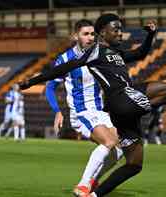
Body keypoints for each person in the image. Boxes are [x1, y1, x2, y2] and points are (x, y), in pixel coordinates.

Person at [20, 13, 166, 197]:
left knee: (133, 163)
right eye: (116, 30)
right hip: (122, 98)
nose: (120, 33)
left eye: (121, 29)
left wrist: (150, 35)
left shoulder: (117, 53)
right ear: (102, 33)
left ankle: (94, 194)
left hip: (120, 111)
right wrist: (31, 81)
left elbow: (141, 53)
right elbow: (60, 70)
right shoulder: (94, 51)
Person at [44, 19, 123, 196]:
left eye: (92, 34)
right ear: (76, 36)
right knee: (108, 142)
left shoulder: (100, 56)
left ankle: (94, 181)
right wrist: (57, 111)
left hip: (100, 111)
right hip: (81, 112)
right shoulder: (65, 59)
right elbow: (49, 87)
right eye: (85, 34)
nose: (89, 37)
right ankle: (83, 185)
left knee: (121, 147)